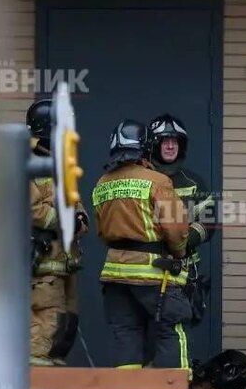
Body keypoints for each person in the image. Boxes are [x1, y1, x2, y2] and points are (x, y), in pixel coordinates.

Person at [92, 119, 192, 372]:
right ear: (146, 147)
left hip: (114, 275)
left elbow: (101, 232)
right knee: (169, 330)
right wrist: (180, 252)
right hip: (153, 273)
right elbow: (176, 229)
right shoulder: (158, 181)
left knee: (126, 334)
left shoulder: (102, 183)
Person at [26, 97, 87, 366]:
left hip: (63, 265)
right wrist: (65, 220)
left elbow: (75, 203)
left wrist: (80, 218)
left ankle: (53, 379)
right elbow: (29, 208)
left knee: (63, 332)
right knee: (44, 336)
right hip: (42, 268)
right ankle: (38, 385)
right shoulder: (27, 162)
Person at [146, 114, 215, 325]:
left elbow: (209, 221)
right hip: (145, 268)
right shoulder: (140, 178)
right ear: (153, 145)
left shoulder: (193, 182)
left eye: (174, 141)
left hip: (183, 270)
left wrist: (184, 241)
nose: (170, 146)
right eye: (164, 141)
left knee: (175, 328)